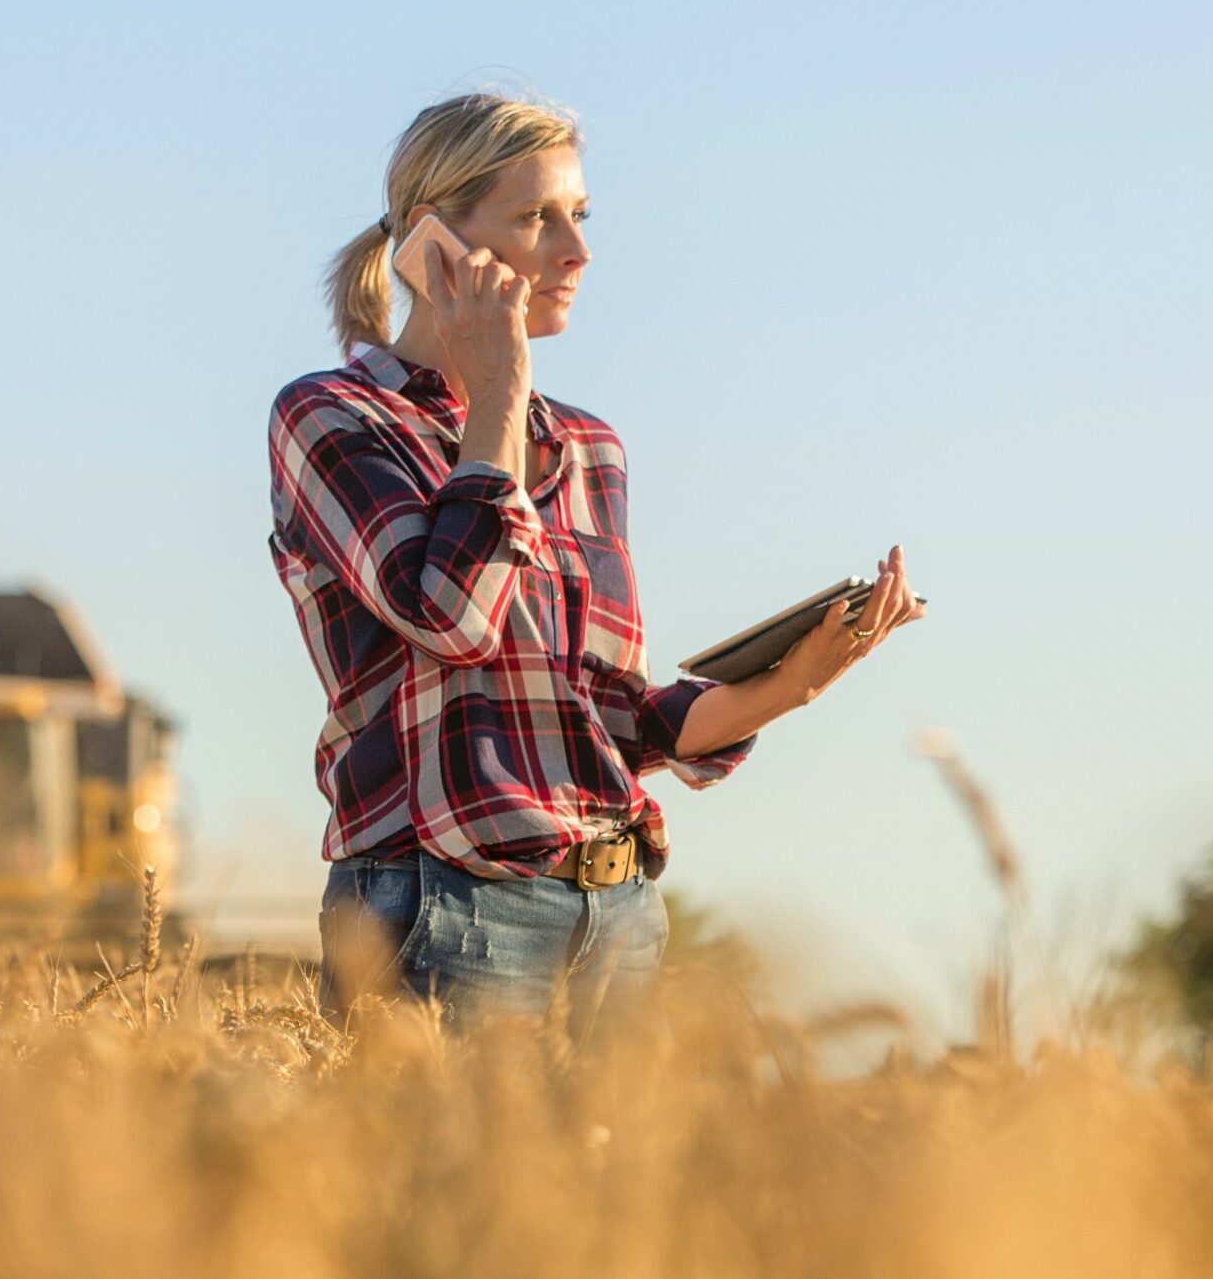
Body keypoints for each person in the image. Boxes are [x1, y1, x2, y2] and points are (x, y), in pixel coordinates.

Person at [265, 88, 923, 1043]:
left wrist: (795, 683)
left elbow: (613, 716)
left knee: (617, 1198)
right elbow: (452, 615)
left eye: (578, 215)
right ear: (431, 242)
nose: (575, 250)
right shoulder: (331, 418)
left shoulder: (589, 448)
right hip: (448, 910)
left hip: (618, 917)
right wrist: (496, 394)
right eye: (537, 218)